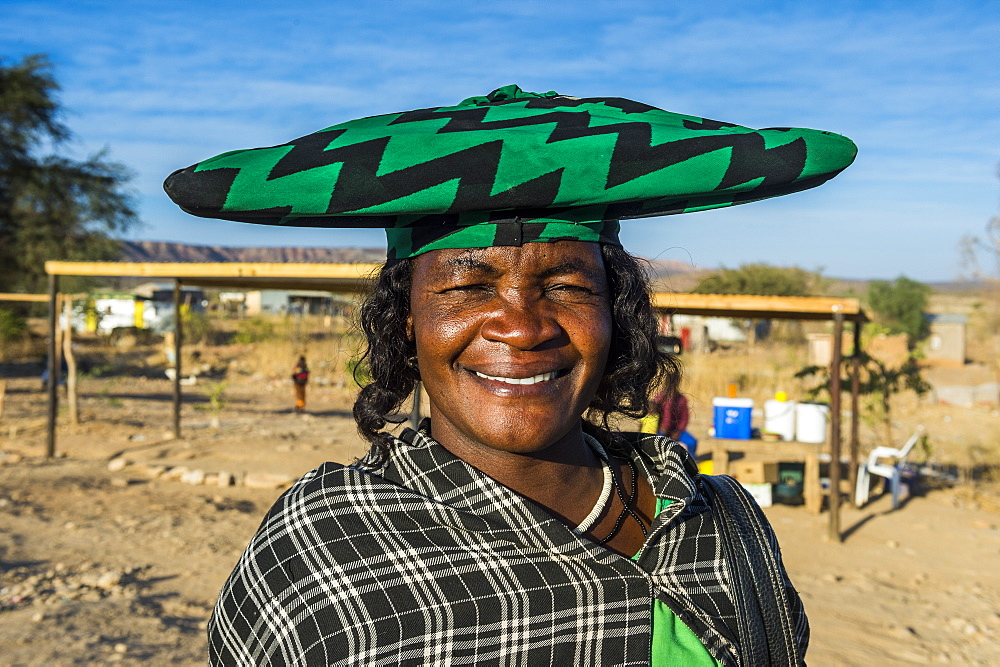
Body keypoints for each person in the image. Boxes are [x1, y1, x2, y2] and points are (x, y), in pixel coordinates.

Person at [165, 85, 856, 665]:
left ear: (616, 313)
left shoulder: (718, 522)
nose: (522, 327)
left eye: (567, 285)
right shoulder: (322, 559)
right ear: (406, 319)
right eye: (469, 288)